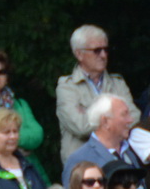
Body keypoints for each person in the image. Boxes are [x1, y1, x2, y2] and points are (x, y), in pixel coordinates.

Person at [54, 25, 133, 161]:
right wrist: (117, 120)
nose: (103, 55)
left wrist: (90, 114)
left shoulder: (118, 83)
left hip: (118, 158)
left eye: (106, 50)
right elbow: (80, 126)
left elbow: (134, 118)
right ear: (79, 54)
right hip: (83, 164)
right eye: (97, 51)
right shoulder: (67, 87)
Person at [0, 48, 45, 177]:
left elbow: (37, 135)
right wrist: (19, 145)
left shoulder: (20, 104)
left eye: (2, 72)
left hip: (28, 169)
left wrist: (3, 140)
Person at [60, 95, 143, 189]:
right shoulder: (80, 159)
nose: (131, 120)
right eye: (124, 114)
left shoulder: (129, 151)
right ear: (105, 122)